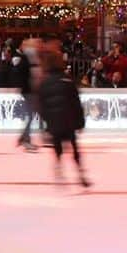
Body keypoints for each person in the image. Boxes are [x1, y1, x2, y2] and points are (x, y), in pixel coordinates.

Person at [37, 51, 91, 188]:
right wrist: (80, 122)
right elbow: (76, 103)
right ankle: (80, 173)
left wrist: (47, 121)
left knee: (58, 150)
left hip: (55, 123)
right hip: (69, 122)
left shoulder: (44, 83)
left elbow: (41, 105)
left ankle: (59, 171)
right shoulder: (68, 81)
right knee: (74, 149)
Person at [15, 37, 40, 152]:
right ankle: (25, 140)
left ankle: (24, 138)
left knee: (31, 115)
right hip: (29, 91)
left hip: (31, 90)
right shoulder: (28, 58)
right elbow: (24, 74)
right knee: (30, 116)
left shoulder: (32, 57)